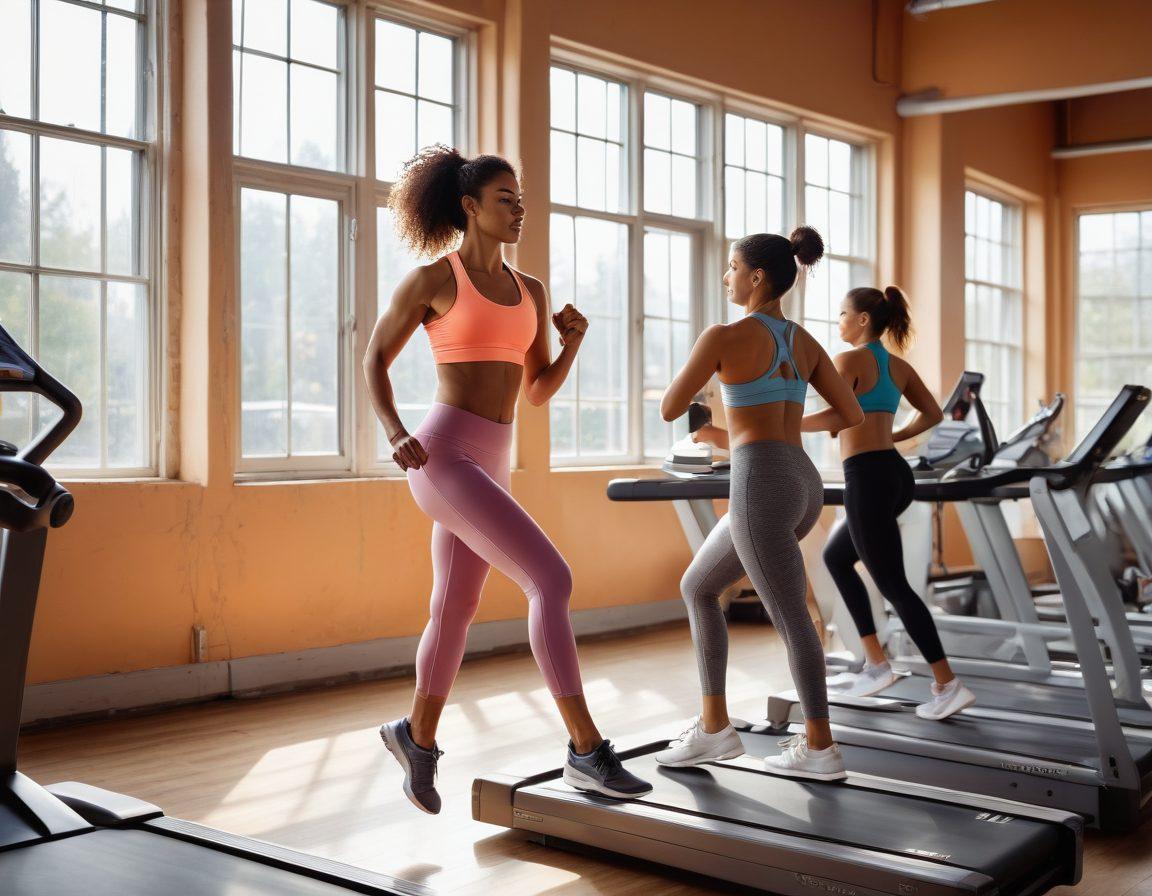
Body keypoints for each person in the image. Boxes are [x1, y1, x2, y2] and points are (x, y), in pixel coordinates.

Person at [363, 146, 651, 813]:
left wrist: (573, 341)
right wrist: (393, 430)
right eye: (505, 199)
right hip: (442, 455)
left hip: (492, 459)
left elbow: (539, 390)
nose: (518, 210)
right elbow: (376, 357)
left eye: (521, 200)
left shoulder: (532, 292)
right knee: (551, 579)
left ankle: (416, 737)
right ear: (469, 207)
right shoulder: (435, 280)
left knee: (455, 607)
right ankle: (585, 750)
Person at [655, 227, 863, 781]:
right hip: (801, 479)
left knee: (791, 614)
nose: (726, 277)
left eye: (731, 268)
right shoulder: (805, 341)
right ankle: (715, 728)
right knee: (699, 586)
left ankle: (820, 745)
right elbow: (851, 415)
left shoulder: (722, 335)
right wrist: (783, 423)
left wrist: (714, 385)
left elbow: (672, 406)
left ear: (757, 277)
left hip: (759, 483)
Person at [816, 285, 975, 720]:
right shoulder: (897, 366)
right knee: (836, 557)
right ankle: (876, 664)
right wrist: (895, 436)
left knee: (894, 586)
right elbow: (933, 414)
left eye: (843, 313)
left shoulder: (847, 360)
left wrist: (785, 423)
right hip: (894, 473)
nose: (839, 321)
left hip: (866, 475)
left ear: (863, 319)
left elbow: (837, 418)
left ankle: (947, 683)